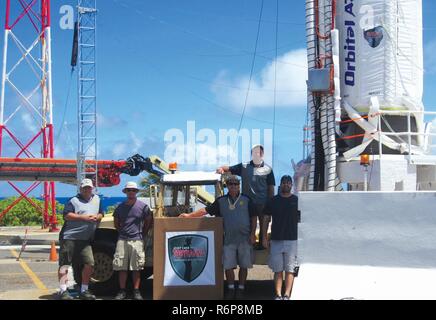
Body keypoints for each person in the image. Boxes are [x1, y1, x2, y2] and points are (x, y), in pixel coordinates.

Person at [180, 175, 257, 300]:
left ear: (239, 186)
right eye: (231, 184)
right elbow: (205, 210)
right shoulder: (221, 201)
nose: (233, 186)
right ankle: (231, 289)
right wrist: (189, 216)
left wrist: (253, 233)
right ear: (227, 186)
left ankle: (241, 289)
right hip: (228, 239)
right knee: (228, 265)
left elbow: (254, 216)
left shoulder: (246, 199)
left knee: (244, 265)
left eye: (236, 184)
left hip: (245, 239)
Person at [217, 144, 275, 249]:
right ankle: (248, 246)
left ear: (262, 154)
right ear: (252, 154)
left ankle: (262, 246)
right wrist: (221, 168)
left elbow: (271, 188)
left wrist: (271, 204)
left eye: (260, 152)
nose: (257, 153)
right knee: (247, 225)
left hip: (263, 203)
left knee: (264, 225)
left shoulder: (268, 169)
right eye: (255, 152)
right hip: (247, 203)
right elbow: (229, 168)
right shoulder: (244, 166)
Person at [58, 178, 104, 300]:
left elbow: (101, 213)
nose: (87, 190)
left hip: (85, 239)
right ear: (80, 189)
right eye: (85, 188)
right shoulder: (73, 201)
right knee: (64, 265)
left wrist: (97, 217)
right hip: (69, 237)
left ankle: (84, 290)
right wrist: (84, 218)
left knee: (89, 264)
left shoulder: (97, 199)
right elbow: (67, 215)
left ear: (92, 188)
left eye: (89, 187)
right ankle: (63, 290)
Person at [262, 175, 300, 300]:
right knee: (278, 270)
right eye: (284, 183)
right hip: (276, 240)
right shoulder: (273, 201)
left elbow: (303, 220)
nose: (286, 185)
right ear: (280, 184)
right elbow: (266, 219)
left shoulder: (297, 200)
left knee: (290, 269)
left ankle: (287, 295)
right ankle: (278, 295)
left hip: (292, 240)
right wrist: (264, 237)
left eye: (288, 183)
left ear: (291, 185)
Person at [112, 181, 153, 300]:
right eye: (129, 190)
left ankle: (136, 291)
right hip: (122, 240)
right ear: (126, 192)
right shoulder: (120, 207)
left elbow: (148, 221)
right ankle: (122, 291)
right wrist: (122, 232)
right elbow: (116, 223)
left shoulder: (143, 207)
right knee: (121, 267)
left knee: (136, 268)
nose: (131, 192)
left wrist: (142, 234)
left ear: (136, 192)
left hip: (137, 240)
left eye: (133, 190)